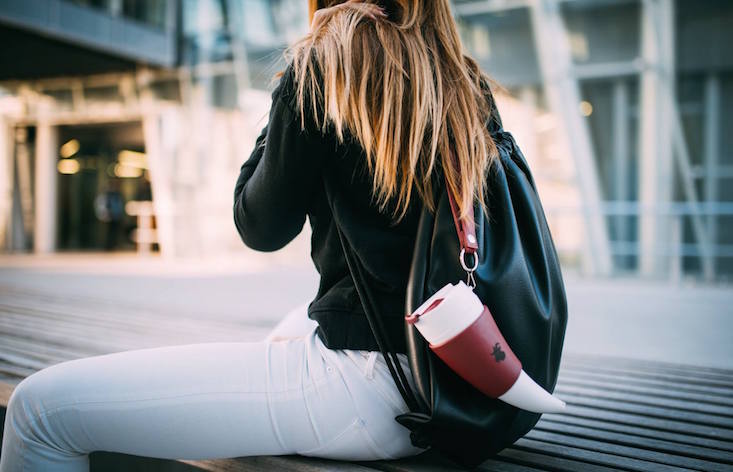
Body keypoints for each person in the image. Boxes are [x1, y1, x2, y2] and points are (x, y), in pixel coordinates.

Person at [0, 1, 501, 469]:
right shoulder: (465, 82)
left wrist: (286, 97)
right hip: (456, 374)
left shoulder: (328, 64)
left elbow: (259, 226)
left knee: (38, 412)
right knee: (288, 328)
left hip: (372, 389)